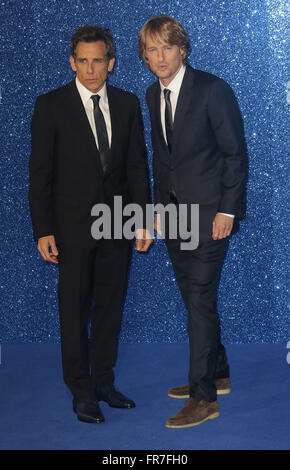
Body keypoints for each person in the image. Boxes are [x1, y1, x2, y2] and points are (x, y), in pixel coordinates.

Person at [29, 25, 152, 424]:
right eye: (82, 60)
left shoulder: (128, 103)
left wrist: (142, 219)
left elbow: (136, 167)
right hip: (71, 229)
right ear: (72, 62)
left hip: (117, 225)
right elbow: (40, 175)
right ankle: (80, 390)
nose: (90, 68)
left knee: (109, 310)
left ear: (111, 63)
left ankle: (103, 381)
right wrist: (43, 230)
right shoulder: (50, 106)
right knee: (74, 308)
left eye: (98, 60)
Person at [139, 15, 247, 428]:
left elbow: (235, 154)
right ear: (145, 56)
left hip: (211, 215)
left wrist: (228, 210)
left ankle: (204, 397)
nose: (160, 57)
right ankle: (217, 373)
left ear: (182, 48)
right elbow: (162, 162)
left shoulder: (212, 89)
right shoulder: (152, 94)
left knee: (199, 300)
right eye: (152, 49)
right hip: (174, 217)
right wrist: (156, 210)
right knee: (193, 300)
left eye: (167, 47)